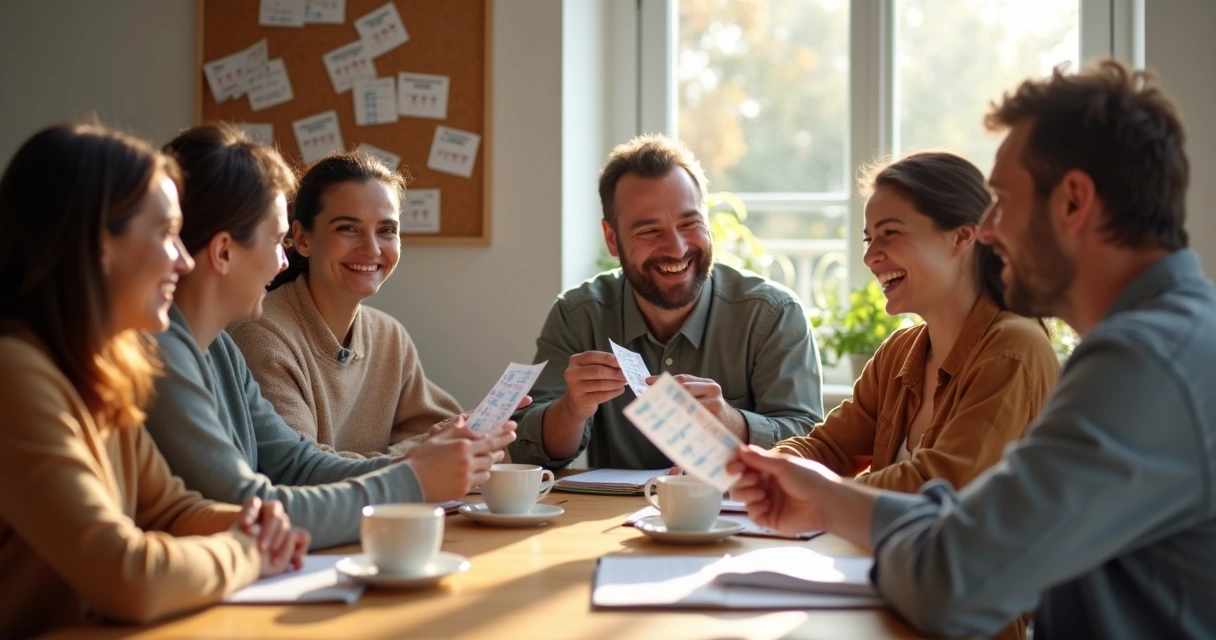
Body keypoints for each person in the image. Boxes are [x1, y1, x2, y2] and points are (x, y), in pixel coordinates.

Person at [729, 59, 1216, 639]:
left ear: (1073, 202)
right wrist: (824, 497)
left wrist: (834, 500)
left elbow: (954, 581)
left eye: (1004, 201)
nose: (988, 231)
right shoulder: (1178, 336)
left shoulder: (1140, 363)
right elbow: (977, 531)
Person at [0, 123, 308, 637]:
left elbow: (169, 507)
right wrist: (248, 550)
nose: (184, 259)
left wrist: (248, 522)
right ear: (98, 242)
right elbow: (128, 577)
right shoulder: (16, 373)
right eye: (167, 234)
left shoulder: (101, 367)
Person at [144, 125, 514, 550]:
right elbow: (248, 504)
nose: (282, 262)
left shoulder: (219, 349)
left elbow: (294, 464)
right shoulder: (165, 352)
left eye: (387, 229)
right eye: (274, 241)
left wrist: (420, 464)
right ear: (225, 251)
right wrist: (411, 478)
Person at [510, 134, 823, 470]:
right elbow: (527, 454)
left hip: (736, 518)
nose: (676, 249)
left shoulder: (772, 314)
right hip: (607, 522)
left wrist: (732, 423)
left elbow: (813, 447)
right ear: (612, 239)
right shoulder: (577, 316)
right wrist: (571, 410)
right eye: (650, 231)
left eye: (689, 223)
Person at [772, 152, 1058, 493]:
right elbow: (826, 448)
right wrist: (772, 467)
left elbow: (939, 487)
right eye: (868, 239)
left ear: (963, 237)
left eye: (890, 233)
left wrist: (817, 491)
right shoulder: (899, 352)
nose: (869, 256)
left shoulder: (1012, 350)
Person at [229, 151, 461, 459]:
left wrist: (425, 451)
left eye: (387, 230)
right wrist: (419, 459)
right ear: (302, 238)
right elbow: (301, 469)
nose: (372, 248)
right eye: (347, 228)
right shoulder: (261, 334)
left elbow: (437, 431)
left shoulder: (389, 336)